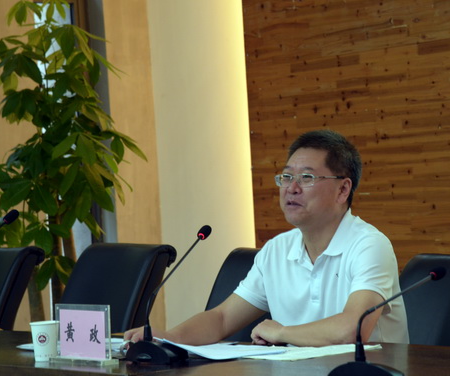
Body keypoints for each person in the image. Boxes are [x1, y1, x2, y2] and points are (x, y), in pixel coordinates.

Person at [124, 129, 408, 346]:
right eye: (286, 177)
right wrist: (169, 338)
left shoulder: (368, 245)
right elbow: (222, 318)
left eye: (307, 178)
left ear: (343, 190)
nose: (291, 188)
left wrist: (281, 332)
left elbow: (353, 329)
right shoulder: (276, 250)